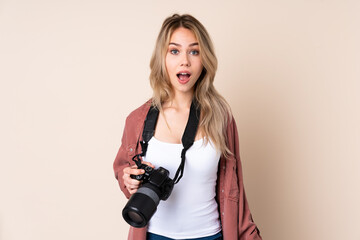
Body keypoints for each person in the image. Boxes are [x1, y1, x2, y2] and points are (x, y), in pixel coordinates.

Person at [113, 14, 262, 240]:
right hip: (154, 235)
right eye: (174, 51)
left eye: (194, 51)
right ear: (162, 58)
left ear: (204, 60)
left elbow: (237, 192)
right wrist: (129, 180)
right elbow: (124, 169)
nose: (185, 61)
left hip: (210, 235)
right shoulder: (137, 120)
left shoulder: (221, 118)